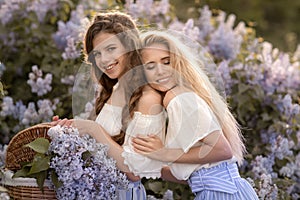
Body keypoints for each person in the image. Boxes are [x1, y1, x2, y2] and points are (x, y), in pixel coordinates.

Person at [130, 30, 259, 199]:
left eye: (166, 62)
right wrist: (150, 165)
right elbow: (197, 172)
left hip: (219, 194)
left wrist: (163, 153)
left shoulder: (179, 98)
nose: (160, 71)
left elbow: (222, 150)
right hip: (228, 191)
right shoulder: (181, 97)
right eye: (151, 66)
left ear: (177, 63)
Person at [53, 11, 151, 199]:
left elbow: (135, 171)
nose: (104, 60)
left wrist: (92, 129)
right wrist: (69, 134)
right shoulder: (111, 90)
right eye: (97, 53)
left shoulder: (145, 97)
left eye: (111, 49)